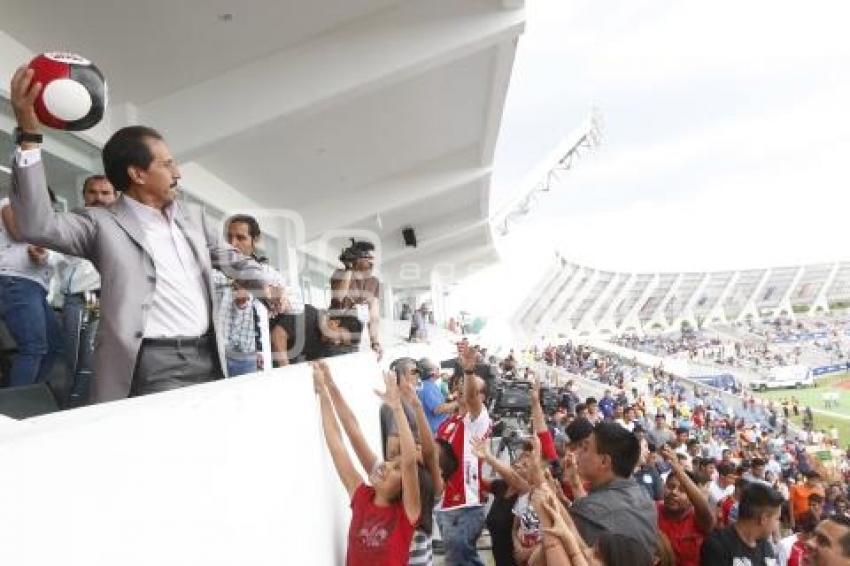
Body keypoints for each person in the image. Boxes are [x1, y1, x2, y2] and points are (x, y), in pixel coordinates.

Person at [7, 67, 285, 403]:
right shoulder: (100, 223)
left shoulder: (192, 220)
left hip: (210, 355)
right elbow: (37, 225)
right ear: (138, 173)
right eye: (167, 165)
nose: (177, 173)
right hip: (152, 365)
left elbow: (235, 262)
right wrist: (29, 137)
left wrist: (266, 286)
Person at [312, 361, 420, 565]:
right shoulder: (361, 496)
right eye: (389, 463)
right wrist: (325, 389)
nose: (385, 466)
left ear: (405, 487)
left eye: (395, 468)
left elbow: (409, 463)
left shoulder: (406, 514)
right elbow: (337, 444)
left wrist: (397, 408)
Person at [57, 175, 116, 405]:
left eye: (105, 193)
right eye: (93, 192)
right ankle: (69, 411)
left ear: (115, 196)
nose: (99, 198)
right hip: (83, 301)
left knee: (99, 364)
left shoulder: (123, 226)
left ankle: (84, 412)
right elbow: (53, 251)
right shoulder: (71, 222)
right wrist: (43, 255)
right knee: (76, 362)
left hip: (112, 303)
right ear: (84, 195)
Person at [435, 342, 491, 566]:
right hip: (443, 505)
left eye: (473, 390)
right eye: (462, 387)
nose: (464, 392)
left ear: (482, 398)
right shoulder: (448, 423)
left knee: (462, 559)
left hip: (467, 505)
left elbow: (471, 400)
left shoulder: (479, 420)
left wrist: (468, 371)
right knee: (455, 560)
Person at [0, 192, 63, 388]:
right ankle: (15, 410)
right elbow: (18, 233)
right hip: (16, 280)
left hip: (36, 287)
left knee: (53, 346)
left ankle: (28, 395)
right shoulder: (10, 202)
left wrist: (44, 254)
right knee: (33, 348)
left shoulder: (45, 220)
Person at [569, 421, 658, 550]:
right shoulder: (645, 497)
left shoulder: (587, 511)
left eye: (585, 448)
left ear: (604, 461)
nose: (577, 454)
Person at [656, 445, 715, 566]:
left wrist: (677, 468)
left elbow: (704, 508)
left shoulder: (699, 520)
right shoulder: (652, 510)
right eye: (670, 486)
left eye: (682, 490)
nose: (674, 492)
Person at [699, 482, 783, 565]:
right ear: (763, 519)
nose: (777, 524)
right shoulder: (718, 545)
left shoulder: (766, 548)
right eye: (777, 519)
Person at [330, 239, 382, 359]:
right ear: (357, 259)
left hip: (353, 342)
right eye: (368, 258)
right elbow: (339, 297)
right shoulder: (340, 274)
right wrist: (349, 268)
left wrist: (375, 342)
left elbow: (373, 315)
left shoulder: (374, 282)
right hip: (333, 341)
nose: (372, 263)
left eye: (372, 259)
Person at [416, 357, 455, 434]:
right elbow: (438, 409)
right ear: (431, 372)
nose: (438, 369)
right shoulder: (427, 388)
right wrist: (458, 403)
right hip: (436, 432)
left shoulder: (429, 385)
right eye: (436, 368)